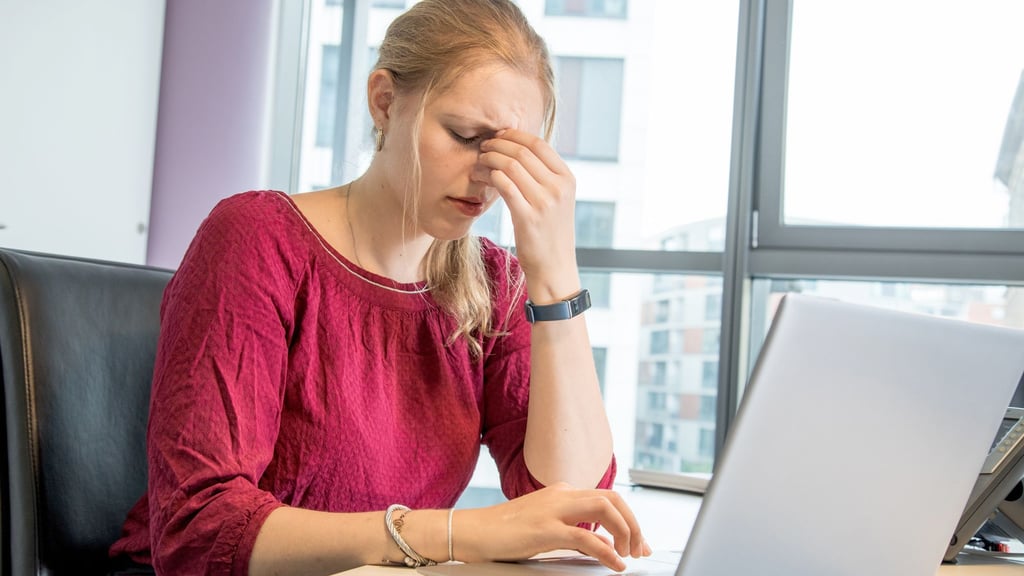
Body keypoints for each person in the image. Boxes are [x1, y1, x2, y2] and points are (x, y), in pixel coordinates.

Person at [109, 0, 650, 574]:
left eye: (515, 155)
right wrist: (449, 533)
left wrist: (555, 276)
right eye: (467, 136)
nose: (489, 178)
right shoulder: (256, 239)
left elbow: (574, 514)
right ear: (385, 102)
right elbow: (199, 529)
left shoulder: (497, 285)